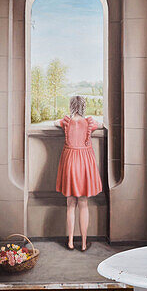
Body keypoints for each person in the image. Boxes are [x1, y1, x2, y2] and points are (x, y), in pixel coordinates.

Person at [56, 96, 102, 251]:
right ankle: (83, 243)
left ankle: (69, 241)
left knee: (70, 204)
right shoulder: (89, 123)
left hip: (70, 161)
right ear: (83, 107)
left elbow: (55, 123)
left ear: (71, 106)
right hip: (84, 163)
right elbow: (101, 124)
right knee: (83, 203)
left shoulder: (66, 122)